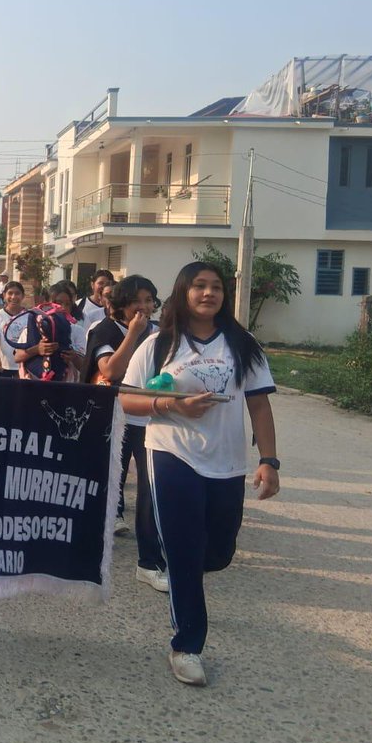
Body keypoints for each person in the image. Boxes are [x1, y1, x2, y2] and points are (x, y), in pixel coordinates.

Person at [120, 262, 280, 687]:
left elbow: (260, 406)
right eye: (199, 286)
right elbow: (127, 398)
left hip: (226, 463)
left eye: (216, 287)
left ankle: (189, 571)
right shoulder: (159, 344)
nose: (209, 293)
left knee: (219, 551)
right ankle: (187, 645)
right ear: (184, 292)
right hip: (172, 454)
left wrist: (269, 460)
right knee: (185, 553)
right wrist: (170, 405)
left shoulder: (242, 345)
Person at [84, 275, 163, 558]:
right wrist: (132, 334)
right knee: (109, 476)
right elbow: (111, 371)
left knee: (149, 484)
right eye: (135, 302)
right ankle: (100, 531)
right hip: (114, 416)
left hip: (150, 417)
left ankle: (150, 555)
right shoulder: (104, 329)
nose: (143, 307)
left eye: (148, 300)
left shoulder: (160, 332)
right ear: (120, 304)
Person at [0, 282, 28, 377]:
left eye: (17, 293)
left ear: (23, 296)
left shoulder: (29, 316)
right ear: (4, 296)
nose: (13, 297)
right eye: (10, 293)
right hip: (2, 365)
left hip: (22, 366)